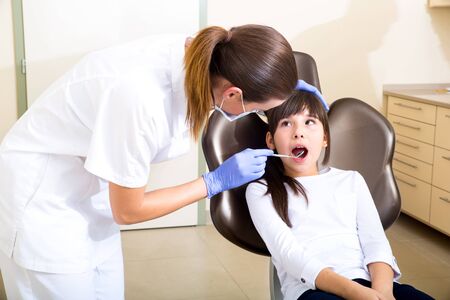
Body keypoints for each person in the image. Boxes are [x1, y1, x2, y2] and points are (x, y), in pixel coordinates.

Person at [0, 24, 325, 300]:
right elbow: (128, 210)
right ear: (232, 95)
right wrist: (213, 182)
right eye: (258, 108)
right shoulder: (140, 100)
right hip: (42, 201)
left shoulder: (213, 54)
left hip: (88, 187)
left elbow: (246, 53)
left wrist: (283, 83)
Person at [246, 91, 434, 300]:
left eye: (309, 122)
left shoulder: (352, 180)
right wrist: (356, 293)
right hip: (312, 290)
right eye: (286, 123)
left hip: (369, 282)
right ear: (271, 140)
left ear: (325, 138)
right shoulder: (261, 191)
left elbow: (376, 243)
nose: (299, 132)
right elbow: (290, 255)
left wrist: (383, 293)